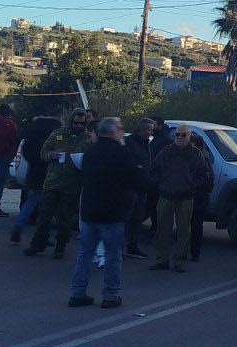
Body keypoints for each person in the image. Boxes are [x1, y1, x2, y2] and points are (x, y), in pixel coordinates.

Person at [69, 117, 141, 309]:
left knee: (85, 253)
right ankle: (110, 295)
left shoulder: (90, 152)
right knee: (112, 255)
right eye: (121, 128)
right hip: (112, 212)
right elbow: (134, 179)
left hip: (89, 210)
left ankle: (77, 293)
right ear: (114, 131)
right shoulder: (122, 153)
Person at [27, 107, 92, 258]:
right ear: (71, 121)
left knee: (65, 218)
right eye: (75, 123)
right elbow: (43, 152)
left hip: (73, 184)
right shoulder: (58, 133)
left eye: (81, 123)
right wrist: (52, 155)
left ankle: (60, 246)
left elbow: (94, 157)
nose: (78, 126)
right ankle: (38, 243)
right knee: (44, 216)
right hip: (53, 182)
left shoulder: (89, 138)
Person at [149, 123, 209, 271]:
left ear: (189, 136)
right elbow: (154, 170)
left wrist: (191, 186)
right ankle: (162, 259)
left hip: (186, 197)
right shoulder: (166, 151)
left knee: (184, 231)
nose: (180, 137)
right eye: (177, 134)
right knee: (162, 229)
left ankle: (179, 261)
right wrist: (161, 184)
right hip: (166, 195)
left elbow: (204, 174)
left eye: (183, 135)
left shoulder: (196, 154)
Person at [10, 110, 59, 243]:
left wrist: (33, 162)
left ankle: (19, 224)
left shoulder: (31, 131)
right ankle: (42, 234)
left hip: (34, 171)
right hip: (50, 171)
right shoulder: (56, 131)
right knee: (48, 205)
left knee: (31, 201)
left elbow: (25, 151)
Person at [122, 117, 156, 258]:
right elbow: (128, 163)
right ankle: (120, 246)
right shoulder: (129, 142)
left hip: (142, 186)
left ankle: (133, 246)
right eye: (148, 129)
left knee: (138, 218)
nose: (150, 132)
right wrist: (138, 168)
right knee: (126, 218)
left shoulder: (146, 143)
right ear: (140, 129)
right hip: (131, 186)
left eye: (151, 130)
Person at [187, 133, 215, 261]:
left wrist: (193, 186)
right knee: (195, 225)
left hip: (197, 196)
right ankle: (194, 252)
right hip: (200, 196)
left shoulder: (200, 157)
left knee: (193, 225)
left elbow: (208, 179)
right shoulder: (204, 155)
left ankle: (193, 252)